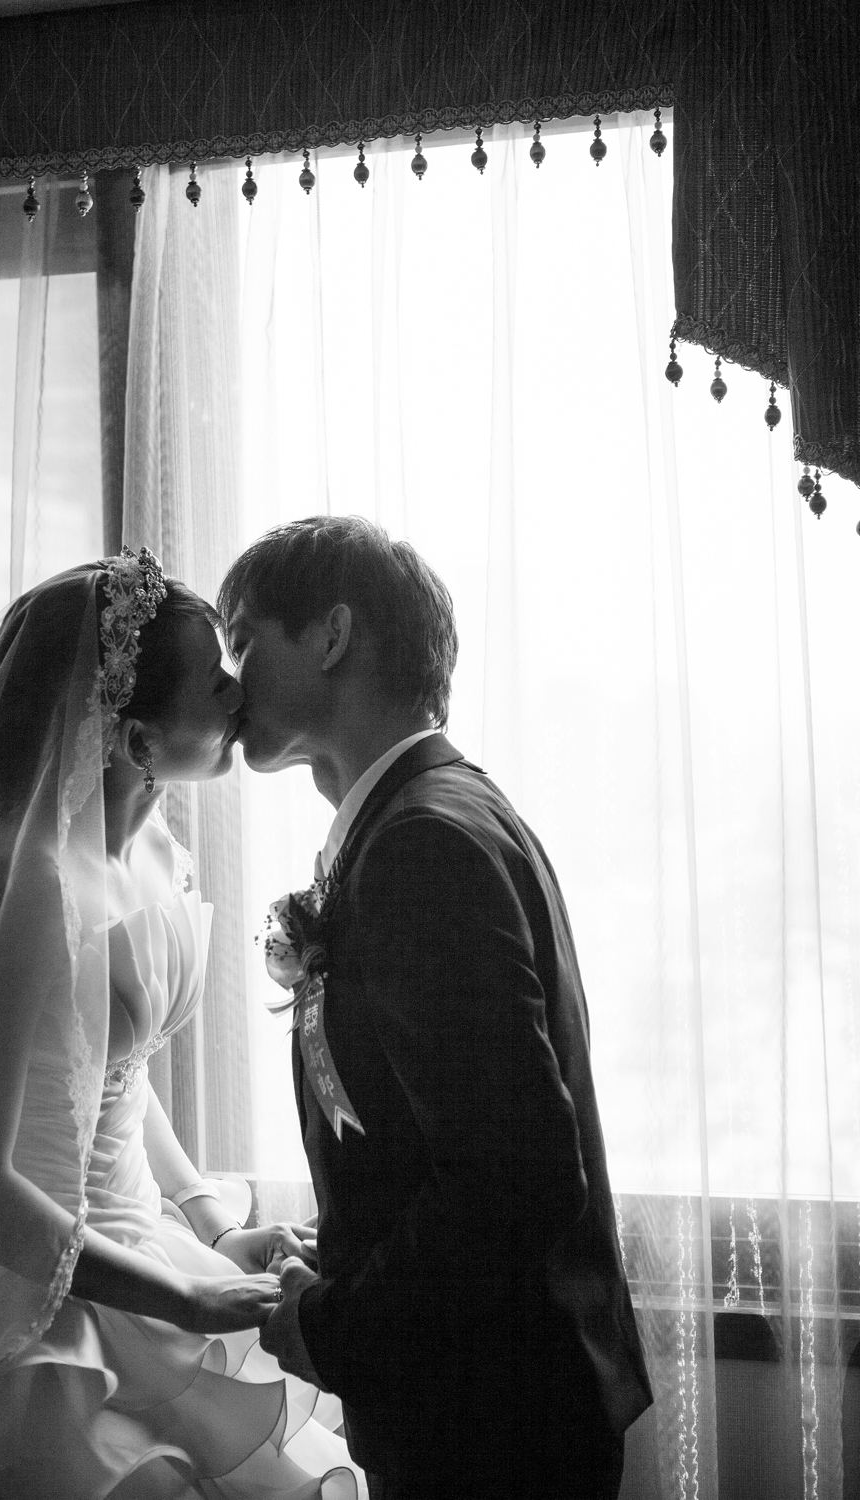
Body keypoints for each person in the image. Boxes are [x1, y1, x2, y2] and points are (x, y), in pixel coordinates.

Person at [0, 548, 364, 1498]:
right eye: (214, 682)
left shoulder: (153, 846)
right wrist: (184, 1296)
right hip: (35, 1295)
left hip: (139, 1248)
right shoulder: (20, 885)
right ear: (135, 741)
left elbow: (108, 1077)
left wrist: (208, 1222)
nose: (239, 693)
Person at [217, 516, 653, 1499]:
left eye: (244, 642)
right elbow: (437, 1134)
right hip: (494, 1396)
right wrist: (341, 1247)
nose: (229, 683)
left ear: (331, 636)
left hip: (488, 1419)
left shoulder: (421, 845)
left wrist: (331, 1326)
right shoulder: (439, 811)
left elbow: (515, 1175)